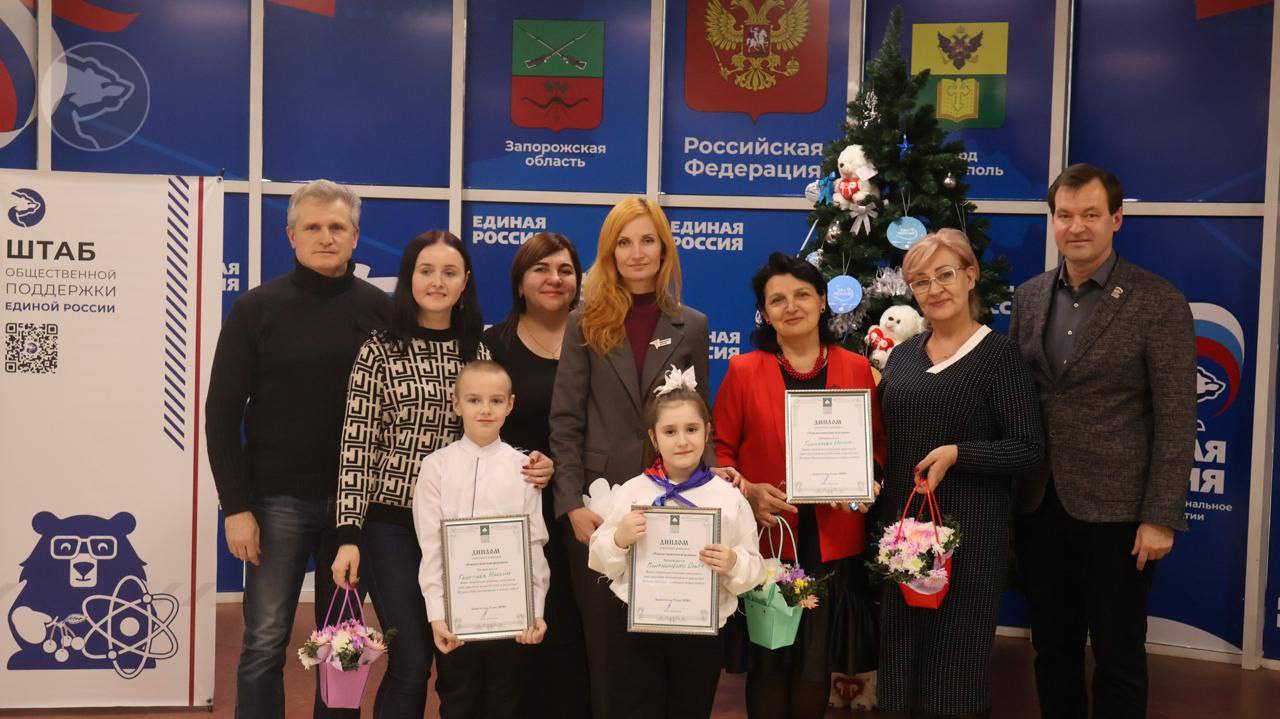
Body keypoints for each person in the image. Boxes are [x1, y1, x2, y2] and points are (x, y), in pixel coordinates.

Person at [329, 231, 553, 718]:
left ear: (465, 281)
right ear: (409, 278)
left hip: (463, 531)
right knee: (412, 657)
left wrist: (536, 462)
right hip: (390, 523)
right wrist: (348, 533)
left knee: (460, 651)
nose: (437, 281)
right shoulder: (379, 350)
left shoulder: (479, 349)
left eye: (449, 272)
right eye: (426, 271)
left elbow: (498, 426)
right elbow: (356, 446)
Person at [1009, 164, 1196, 719]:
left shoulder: (1157, 301)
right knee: (1052, 650)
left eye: (1091, 214)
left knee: (1118, 656)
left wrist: (1160, 516)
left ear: (1116, 219)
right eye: (1065, 215)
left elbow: (1177, 416)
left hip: (1119, 514)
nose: (1076, 227)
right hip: (1040, 506)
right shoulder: (1029, 296)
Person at [205, 180, 391, 719]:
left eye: (337, 227)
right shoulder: (256, 309)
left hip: (356, 507)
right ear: (291, 236)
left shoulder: (383, 311)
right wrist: (236, 507)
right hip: (275, 502)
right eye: (312, 227)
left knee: (344, 644)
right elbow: (221, 414)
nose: (325, 237)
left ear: (355, 236)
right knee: (265, 641)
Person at [549, 197, 711, 718]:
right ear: (609, 252)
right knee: (610, 659)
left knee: (672, 652)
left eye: (647, 240)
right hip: (599, 512)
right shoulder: (583, 323)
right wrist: (571, 504)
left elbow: (700, 422)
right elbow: (565, 422)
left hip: (675, 512)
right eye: (624, 242)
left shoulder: (692, 325)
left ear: (664, 249)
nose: (636, 253)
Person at [877, 229, 1044, 718]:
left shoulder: (999, 356)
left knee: (954, 674)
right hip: (903, 538)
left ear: (971, 276)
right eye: (921, 281)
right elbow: (887, 440)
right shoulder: (903, 356)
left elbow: (1029, 449)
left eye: (946, 274)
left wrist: (959, 454)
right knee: (900, 667)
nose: (935, 289)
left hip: (970, 542)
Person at [714, 252, 887, 718]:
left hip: (831, 538)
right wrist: (748, 491)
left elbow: (876, 447)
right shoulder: (743, 370)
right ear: (765, 312)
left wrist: (864, 483)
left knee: (815, 665)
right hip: (770, 536)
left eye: (802, 295)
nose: (791, 307)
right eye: (777, 300)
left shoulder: (856, 368)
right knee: (769, 663)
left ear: (822, 301)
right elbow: (720, 452)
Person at [589, 370, 765, 719]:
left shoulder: (728, 498)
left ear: (707, 432)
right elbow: (598, 556)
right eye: (670, 431)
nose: (682, 441)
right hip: (637, 629)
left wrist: (733, 563)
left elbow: (755, 568)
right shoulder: (633, 491)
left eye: (691, 429)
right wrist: (620, 539)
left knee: (691, 708)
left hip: (700, 632)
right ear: (653, 438)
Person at [482, 232, 591, 718]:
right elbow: (477, 423)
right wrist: (524, 459)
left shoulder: (595, 338)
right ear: (519, 282)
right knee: (519, 633)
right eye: (541, 269)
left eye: (565, 270)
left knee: (573, 632)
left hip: (581, 507)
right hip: (515, 509)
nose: (554, 279)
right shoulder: (493, 344)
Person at [414, 360, 551, 718]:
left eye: (496, 400)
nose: (485, 409)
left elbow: (534, 544)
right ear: (456, 403)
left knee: (506, 700)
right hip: (457, 619)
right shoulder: (436, 467)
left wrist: (534, 609)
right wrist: (437, 614)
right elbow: (431, 547)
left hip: (511, 619)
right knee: (457, 699)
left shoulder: (523, 468)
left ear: (510, 405)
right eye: (474, 400)